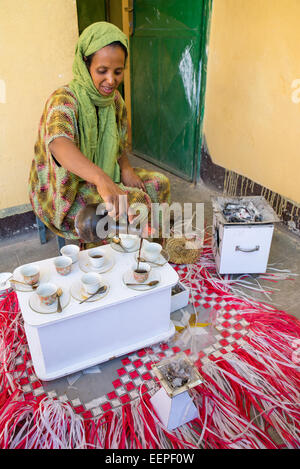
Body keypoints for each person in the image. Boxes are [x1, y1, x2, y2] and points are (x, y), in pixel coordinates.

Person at [28, 22, 170, 243]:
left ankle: (153, 250)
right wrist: (101, 179)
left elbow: (119, 144)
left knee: (159, 183)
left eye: (118, 71)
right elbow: (59, 143)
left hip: (104, 173)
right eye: (102, 71)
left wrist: (126, 168)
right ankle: (110, 260)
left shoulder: (114, 101)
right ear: (86, 66)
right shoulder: (64, 99)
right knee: (130, 202)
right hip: (67, 188)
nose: (111, 80)